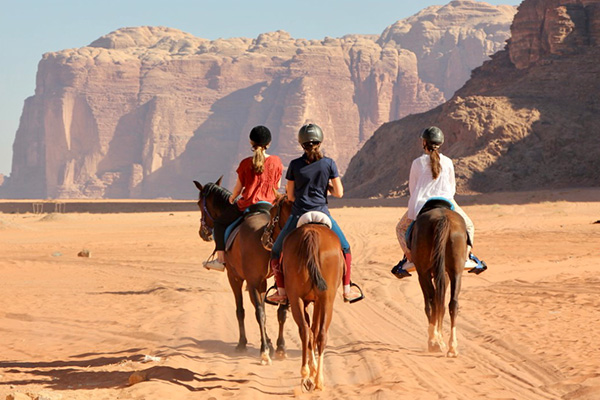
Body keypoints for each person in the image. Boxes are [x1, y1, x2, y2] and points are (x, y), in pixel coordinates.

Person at [265, 123, 363, 304]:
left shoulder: (295, 165)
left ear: (301, 143)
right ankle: (348, 289)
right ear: (320, 141)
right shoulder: (329, 163)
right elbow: (339, 193)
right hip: (322, 214)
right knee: (346, 248)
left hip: (299, 215)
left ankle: (280, 291)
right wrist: (326, 186)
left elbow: (292, 196)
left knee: (276, 251)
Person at [391, 126, 487, 279]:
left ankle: (410, 260)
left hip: (422, 204)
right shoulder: (448, 162)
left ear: (424, 143)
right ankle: (467, 257)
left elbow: (413, 188)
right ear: (440, 143)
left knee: (401, 229)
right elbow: (452, 188)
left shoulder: (417, 163)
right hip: (446, 200)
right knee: (468, 225)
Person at [203, 125, 283, 271]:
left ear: (251, 143)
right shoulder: (276, 161)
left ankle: (220, 261)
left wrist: (232, 198)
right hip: (269, 205)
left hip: (248, 205)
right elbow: (277, 185)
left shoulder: (246, 163)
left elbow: (238, 188)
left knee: (220, 224)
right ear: (269, 143)